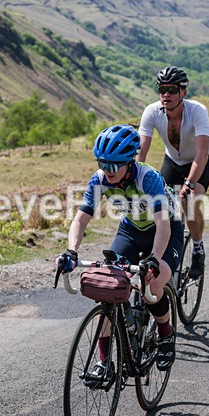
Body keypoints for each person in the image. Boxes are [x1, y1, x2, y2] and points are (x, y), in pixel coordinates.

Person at [57, 124, 184, 372]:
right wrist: (72, 251)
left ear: (129, 162)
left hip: (165, 232)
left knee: (153, 283)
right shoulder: (100, 179)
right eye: (103, 163)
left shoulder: (148, 178)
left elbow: (163, 224)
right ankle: (104, 361)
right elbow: (81, 218)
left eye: (114, 165)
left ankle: (166, 334)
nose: (108, 171)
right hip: (131, 230)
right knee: (106, 287)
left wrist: (155, 260)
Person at [138, 66, 209, 278]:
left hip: (198, 162)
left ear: (183, 92)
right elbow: (141, 152)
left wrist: (189, 184)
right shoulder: (152, 112)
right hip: (172, 161)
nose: (166, 95)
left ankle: (198, 248)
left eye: (171, 89)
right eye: (162, 90)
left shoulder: (197, 111)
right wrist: (136, 180)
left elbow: (201, 154)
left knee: (190, 201)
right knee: (160, 202)